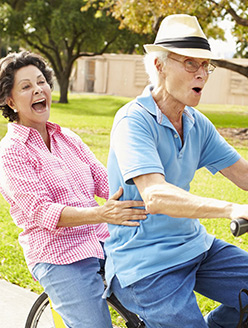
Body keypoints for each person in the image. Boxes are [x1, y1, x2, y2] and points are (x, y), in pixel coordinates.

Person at [105, 14, 248, 328]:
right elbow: (155, 195)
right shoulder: (133, 121)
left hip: (194, 246)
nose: (202, 73)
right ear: (159, 65)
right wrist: (233, 209)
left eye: (206, 65)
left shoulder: (194, 122)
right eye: (191, 63)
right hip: (146, 263)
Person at [0, 51, 147, 328]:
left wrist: (150, 189)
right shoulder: (10, 153)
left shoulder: (68, 138)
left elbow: (106, 182)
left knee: (161, 299)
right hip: (58, 256)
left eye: (41, 81)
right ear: (10, 101)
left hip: (103, 243)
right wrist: (101, 214)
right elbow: (42, 212)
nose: (38, 90)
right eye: (26, 86)